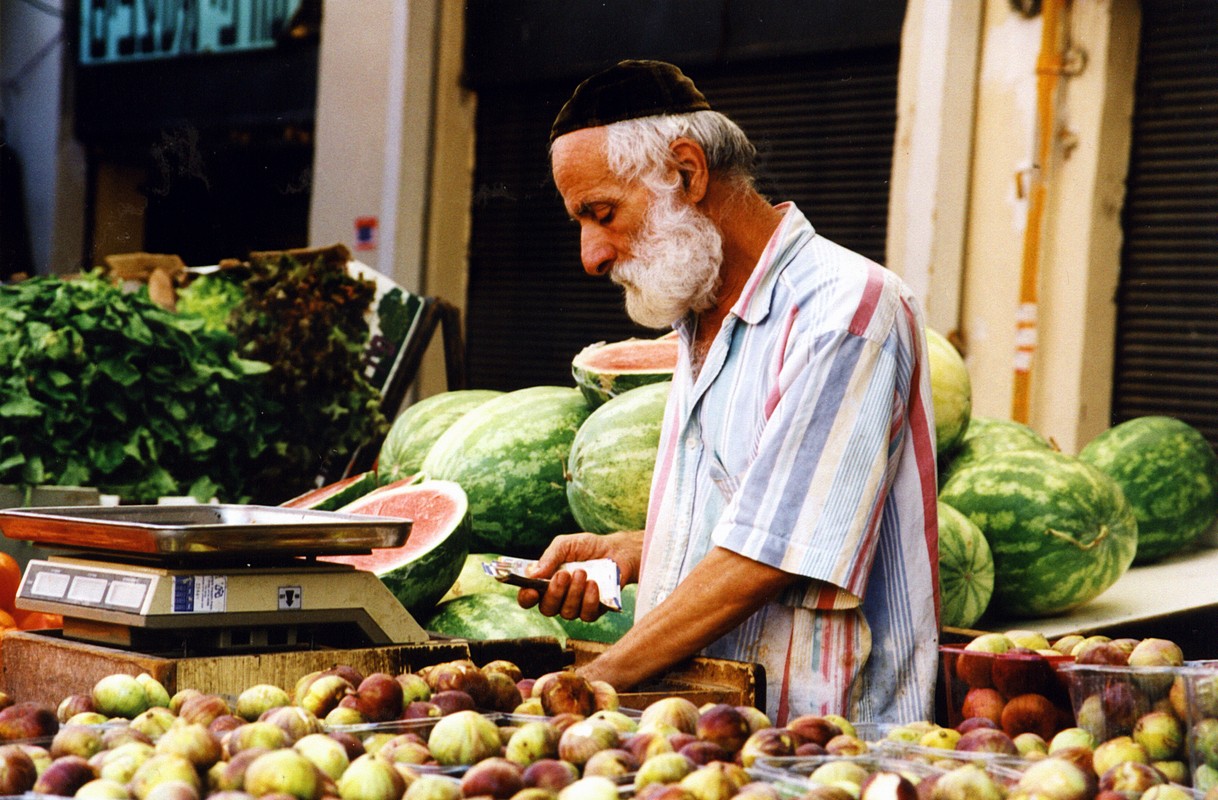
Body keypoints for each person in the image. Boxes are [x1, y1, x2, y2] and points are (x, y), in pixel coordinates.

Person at [519, 60, 939, 724]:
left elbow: (767, 558)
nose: (591, 255)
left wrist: (592, 681)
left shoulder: (845, 312)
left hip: (823, 751)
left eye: (601, 213)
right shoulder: (700, 311)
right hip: (713, 739)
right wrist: (638, 549)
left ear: (687, 172)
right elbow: (755, 506)